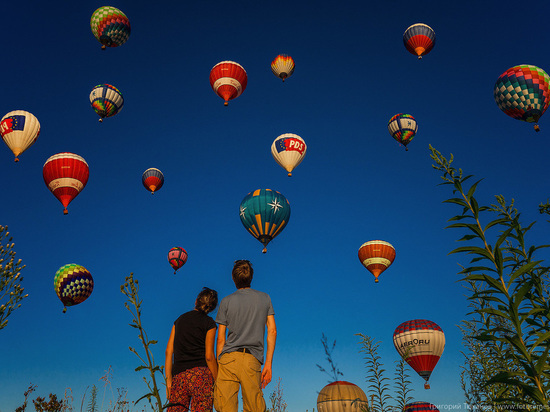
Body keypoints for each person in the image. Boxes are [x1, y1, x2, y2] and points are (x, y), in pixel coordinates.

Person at [214, 260, 277, 412]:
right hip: (252, 359)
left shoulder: (226, 301)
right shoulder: (265, 298)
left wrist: (219, 363)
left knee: (225, 407)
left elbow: (221, 338)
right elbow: (272, 330)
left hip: (228, 359)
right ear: (251, 277)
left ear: (233, 278)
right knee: (254, 407)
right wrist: (268, 363)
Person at [165, 287, 218, 412]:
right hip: (201, 376)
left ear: (196, 301)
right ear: (212, 308)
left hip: (178, 377)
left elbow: (168, 351)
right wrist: (217, 380)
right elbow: (209, 356)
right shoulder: (209, 323)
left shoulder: (179, 321)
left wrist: (168, 382)